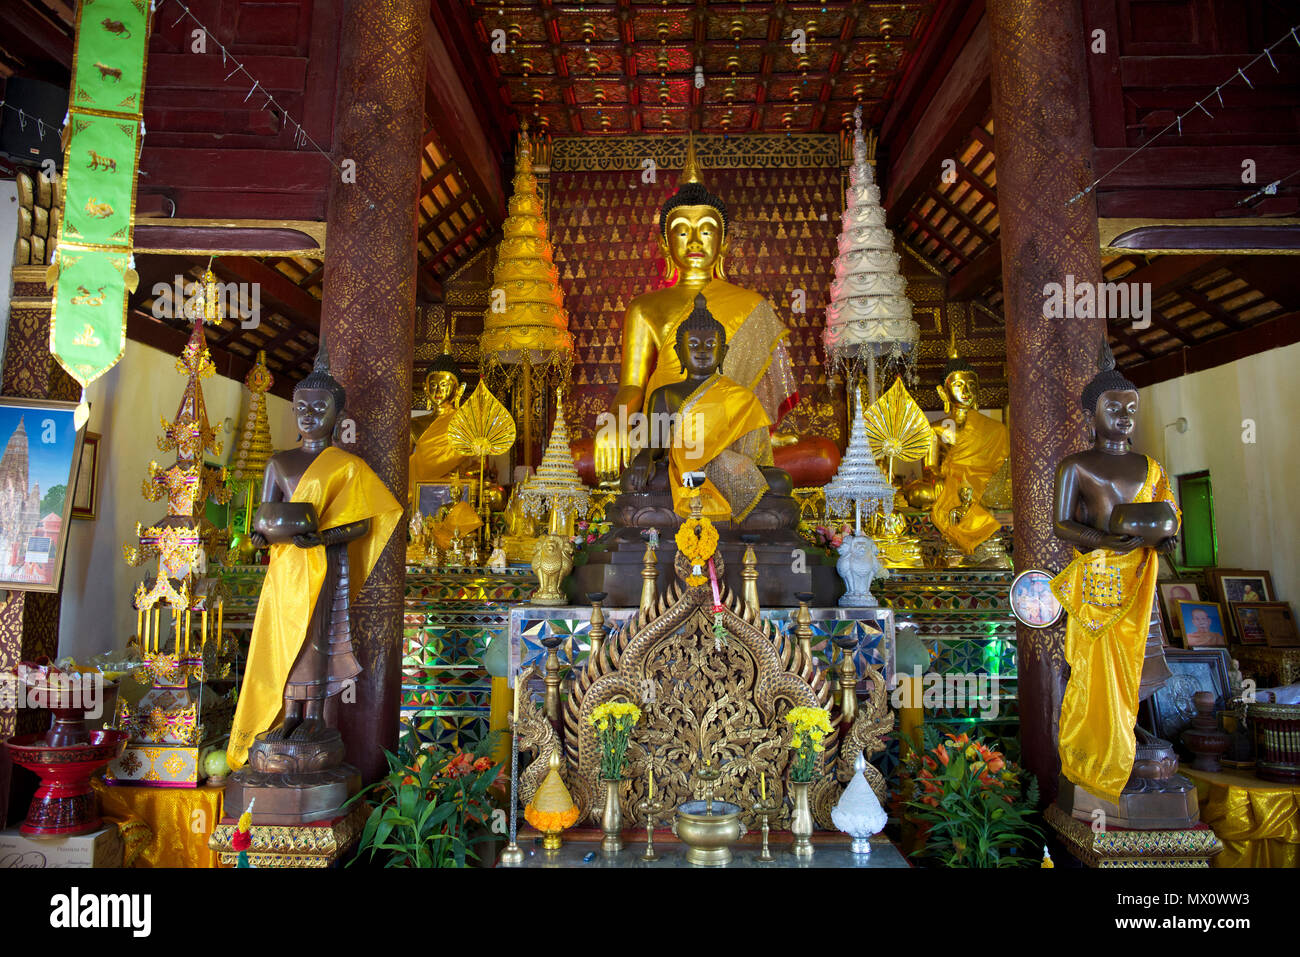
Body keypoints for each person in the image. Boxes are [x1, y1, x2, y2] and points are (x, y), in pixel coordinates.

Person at [227, 340, 402, 769]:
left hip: (321, 568)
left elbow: (364, 523)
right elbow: (262, 518)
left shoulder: (346, 466)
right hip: (284, 573)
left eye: (319, 407)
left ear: (338, 415)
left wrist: (322, 540)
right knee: (278, 642)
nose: (309, 414)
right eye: (301, 406)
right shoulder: (278, 462)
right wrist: (261, 538)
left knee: (314, 641)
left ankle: (314, 717)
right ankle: (285, 715)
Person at [623, 293, 789, 522]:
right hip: (683, 474)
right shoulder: (665, 395)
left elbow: (755, 457)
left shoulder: (741, 397)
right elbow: (655, 445)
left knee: (780, 481)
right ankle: (722, 510)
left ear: (723, 353)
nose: (702, 350)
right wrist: (644, 457)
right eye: (693, 344)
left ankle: (687, 509)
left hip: (727, 474)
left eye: (711, 344)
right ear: (680, 352)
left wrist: (736, 468)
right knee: (632, 480)